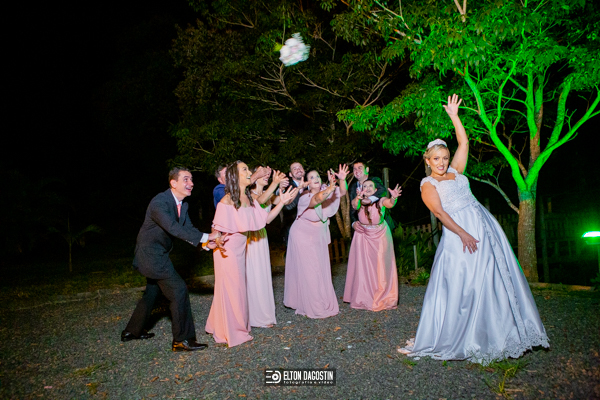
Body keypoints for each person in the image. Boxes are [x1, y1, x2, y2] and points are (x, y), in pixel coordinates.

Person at [397, 94, 549, 364]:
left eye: (444, 157)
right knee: (466, 283)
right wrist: (463, 233)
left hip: (484, 227)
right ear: (427, 160)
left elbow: (464, 143)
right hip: (460, 233)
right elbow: (440, 213)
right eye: (436, 158)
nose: (442, 162)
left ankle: (499, 331)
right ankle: (464, 334)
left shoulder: (456, 171)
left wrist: (455, 117)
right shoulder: (427, 184)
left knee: (492, 278)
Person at [123, 167, 221, 352]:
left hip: (158, 254)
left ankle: (131, 331)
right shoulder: (159, 203)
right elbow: (173, 228)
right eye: (186, 179)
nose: (191, 183)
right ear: (173, 183)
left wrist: (205, 244)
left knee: (152, 292)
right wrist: (207, 236)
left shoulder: (183, 205)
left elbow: (188, 230)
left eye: (191, 179)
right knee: (179, 290)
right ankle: (182, 340)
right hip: (151, 256)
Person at [206, 161, 297, 347]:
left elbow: (265, 219)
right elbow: (216, 228)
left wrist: (282, 202)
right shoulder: (227, 200)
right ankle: (233, 331)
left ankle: (223, 325)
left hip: (240, 249)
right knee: (234, 290)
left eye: (248, 169)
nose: (249, 172)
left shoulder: (247, 198)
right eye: (245, 170)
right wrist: (217, 238)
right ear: (235, 176)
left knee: (236, 289)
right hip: (226, 250)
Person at [284, 164, 349, 318]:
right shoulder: (305, 197)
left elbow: (343, 191)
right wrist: (330, 188)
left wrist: (342, 180)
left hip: (318, 235)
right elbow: (317, 199)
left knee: (319, 268)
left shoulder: (327, 190)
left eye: (318, 176)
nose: (316, 179)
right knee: (310, 270)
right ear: (307, 182)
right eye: (311, 177)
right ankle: (314, 305)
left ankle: (317, 299)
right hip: (302, 235)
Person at [344, 180, 402, 311]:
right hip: (363, 236)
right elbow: (354, 205)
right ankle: (365, 297)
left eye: (371, 186)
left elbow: (390, 203)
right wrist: (358, 197)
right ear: (361, 189)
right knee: (363, 268)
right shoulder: (359, 201)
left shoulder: (380, 201)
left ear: (375, 190)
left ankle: (382, 297)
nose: (368, 187)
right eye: (365, 186)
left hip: (380, 236)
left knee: (380, 267)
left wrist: (393, 198)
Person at [247, 168, 289, 328]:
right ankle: (254, 316)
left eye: (268, 175)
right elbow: (260, 201)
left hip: (262, 236)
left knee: (263, 275)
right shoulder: (249, 194)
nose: (267, 176)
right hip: (250, 237)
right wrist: (275, 183)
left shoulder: (268, 194)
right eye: (263, 174)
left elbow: (269, 217)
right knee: (254, 275)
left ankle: (263, 314)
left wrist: (296, 189)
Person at [348, 162, 395, 231]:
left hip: (381, 226)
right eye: (355, 169)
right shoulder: (353, 187)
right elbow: (352, 208)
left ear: (367, 169)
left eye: (360, 168)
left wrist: (369, 199)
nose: (357, 171)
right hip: (363, 229)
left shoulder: (374, 180)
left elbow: (382, 191)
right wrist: (353, 222)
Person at [281, 162, 307, 243]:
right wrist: (299, 190)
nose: (298, 170)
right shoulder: (286, 188)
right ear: (290, 174)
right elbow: (287, 207)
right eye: (294, 169)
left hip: (310, 230)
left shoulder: (310, 186)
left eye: (300, 167)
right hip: (293, 230)